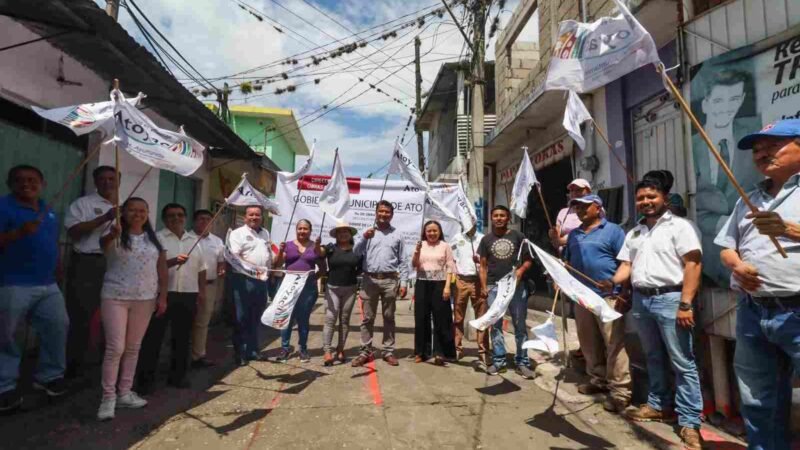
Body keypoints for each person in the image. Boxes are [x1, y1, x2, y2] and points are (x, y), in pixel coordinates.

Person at [714, 120, 800, 449]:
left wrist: (789, 231)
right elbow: (726, 247)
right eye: (756, 149)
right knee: (758, 400)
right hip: (753, 311)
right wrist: (738, 266)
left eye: (772, 145)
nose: (761, 153)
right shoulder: (747, 199)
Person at [603, 171, 704, 450]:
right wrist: (611, 281)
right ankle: (659, 405)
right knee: (652, 356)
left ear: (664, 198)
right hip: (642, 302)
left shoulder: (680, 227)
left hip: (671, 300)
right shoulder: (635, 232)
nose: (646, 201)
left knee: (683, 361)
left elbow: (693, 265)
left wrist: (685, 304)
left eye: (651, 196)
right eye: (641, 198)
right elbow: (627, 266)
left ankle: (690, 421)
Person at [0, 165, 69, 412]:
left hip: (48, 283)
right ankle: (4, 386)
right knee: (6, 335)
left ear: (42, 184)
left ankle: (49, 377)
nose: (27, 184)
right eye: (20, 180)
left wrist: (58, 268)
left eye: (32, 180)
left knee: (58, 326)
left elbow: (51, 243)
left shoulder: (47, 211)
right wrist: (18, 233)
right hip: (12, 282)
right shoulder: (3, 207)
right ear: (11, 184)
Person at [96, 197, 167, 421]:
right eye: (132, 210)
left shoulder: (154, 240)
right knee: (115, 347)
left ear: (147, 214)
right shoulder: (114, 234)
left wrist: (162, 297)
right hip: (115, 297)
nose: (138, 214)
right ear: (123, 213)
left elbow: (162, 270)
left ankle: (124, 393)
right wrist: (112, 234)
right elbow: (103, 247)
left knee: (133, 348)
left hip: (145, 299)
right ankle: (108, 398)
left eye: (142, 210)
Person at [693, 70, 763, 287]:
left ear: (742, 100)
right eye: (718, 100)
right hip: (715, 261)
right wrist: (726, 224)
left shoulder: (754, 137)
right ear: (705, 104)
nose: (726, 107)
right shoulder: (694, 145)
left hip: (757, 256)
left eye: (734, 99)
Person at [562, 194, 631, 413]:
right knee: (589, 343)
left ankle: (620, 392)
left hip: (608, 297)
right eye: (577, 207)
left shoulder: (614, 231)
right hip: (582, 297)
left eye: (584, 206)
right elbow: (568, 263)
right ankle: (598, 380)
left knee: (614, 344)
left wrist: (624, 292)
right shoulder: (574, 235)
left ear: (598, 207)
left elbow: (626, 263)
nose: (580, 210)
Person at [136, 203, 206, 393]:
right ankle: (145, 381)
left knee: (182, 338)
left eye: (180, 215)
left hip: (188, 294)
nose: (176, 218)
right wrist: (174, 261)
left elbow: (201, 269)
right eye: (171, 216)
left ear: (185, 218)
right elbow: (150, 267)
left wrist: (201, 292)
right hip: (162, 295)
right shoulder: (156, 239)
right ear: (164, 219)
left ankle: (178, 377)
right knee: (153, 338)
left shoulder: (194, 240)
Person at [64, 166, 118, 378]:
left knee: (112, 316)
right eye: (102, 179)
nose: (107, 182)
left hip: (116, 266)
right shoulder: (83, 204)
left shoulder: (124, 205)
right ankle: (74, 366)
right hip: (88, 263)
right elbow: (73, 233)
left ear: (118, 181)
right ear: (95, 182)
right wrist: (104, 218)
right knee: (81, 316)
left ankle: (105, 363)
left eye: (112, 178)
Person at [478, 205, 534, 379]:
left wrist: (520, 272)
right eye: (496, 215)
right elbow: (483, 266)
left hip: (517, 288)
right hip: (494, 288)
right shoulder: (486, 240)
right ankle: (499, 361)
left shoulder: (519, 237)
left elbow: (528, 260)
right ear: (491, 218)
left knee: (520, 325)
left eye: (502, 215)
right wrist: (484, 287)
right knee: (495, 326)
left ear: (508, 218)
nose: (499, 218)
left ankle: (522, 362)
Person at [352, 200, 408, 367]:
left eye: (387, 212)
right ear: (376, 213)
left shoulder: (398, 235)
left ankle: (388, 351)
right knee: (367, 318)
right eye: (381, 211)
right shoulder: (367, 232)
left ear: (392, 215)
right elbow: (355, 252)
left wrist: (404, 282)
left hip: (390, 280)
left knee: (389, 317)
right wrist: (364, 238)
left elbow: (403, 261)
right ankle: (365, 350)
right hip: (369, 279)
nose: (384, 214)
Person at [228, 205, 272, 366]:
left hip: (261, 281)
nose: (254, 217)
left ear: (262, 217)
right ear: (245, 217)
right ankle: (239, 352)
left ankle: (252, 351)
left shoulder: (265, 233)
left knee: (256, 316)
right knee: (241, 317)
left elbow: (266, 255)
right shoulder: (237, 234)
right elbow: (235, 256)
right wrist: (255, 269)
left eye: (257, 215)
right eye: (251, 215)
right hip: (243, 280)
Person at [274, 219, 321, 363]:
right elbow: (277, 264)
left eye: (305, 229)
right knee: (286, 318)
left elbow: (323, 267)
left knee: (303, 319)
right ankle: (285, 348)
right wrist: (281, 251)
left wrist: (312, 279)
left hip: (307, 289)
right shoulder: (287, 245)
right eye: (300, 228)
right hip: (289, 286)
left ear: (310, 230)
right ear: (296, 229)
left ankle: (303, 349)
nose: (302, 231)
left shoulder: (315, 246)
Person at [411, 220, 457, 366]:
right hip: (422, 283)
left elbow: (450, 267)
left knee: (441, 319)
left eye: (434, 231)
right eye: (429, 231)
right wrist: (417, 251)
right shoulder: (420, 245)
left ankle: (440, 353)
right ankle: (421, 352)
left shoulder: (445, 246)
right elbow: (414, 265)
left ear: (440, 232)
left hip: (440, 284)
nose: (432, 233)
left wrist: (447, 287)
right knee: (421, 318)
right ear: (425, 232)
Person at [317, 222, 361, 366]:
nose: (343, 234)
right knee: (330, 319)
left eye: (345, 231)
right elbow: (319, 253)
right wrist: (317, 245)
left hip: (350, 289)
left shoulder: (357, 250)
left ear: (350, 234)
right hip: (332, 288)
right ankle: (327, 351)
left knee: (344, 320)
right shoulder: (330, 247)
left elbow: (360, 269)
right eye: (339, 232)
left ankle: (340, 349)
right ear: (336, 235)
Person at [190, 209, 225, 369]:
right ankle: (181, 356)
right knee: (185, 322)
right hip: (188, 286)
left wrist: (221, 269)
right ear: (194, 221)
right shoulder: (186, 238)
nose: (204, 222)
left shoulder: (217, 241)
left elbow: (221, 262)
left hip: (209, 286)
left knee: (202, 323)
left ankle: (198, 356)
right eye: (201, 219)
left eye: (208, 219)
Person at [450, 225, 488, 363]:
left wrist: (479, 262)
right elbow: (452, 260)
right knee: (458, 317)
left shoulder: (483, 238)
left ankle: (483, 351)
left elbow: (487, 261)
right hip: (461, 281)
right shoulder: (457, 238)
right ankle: (457, 348)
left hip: (478, 281)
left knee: (482, 318)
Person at [549, 178, 592, 254]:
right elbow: (557, 235)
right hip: (565, 258)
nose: (574, 193)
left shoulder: (594, 209)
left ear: (588, 191)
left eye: (578, 190)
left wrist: (562, 241)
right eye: (572, 190)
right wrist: (553, 233)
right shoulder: (563, 212)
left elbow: (589, 232)